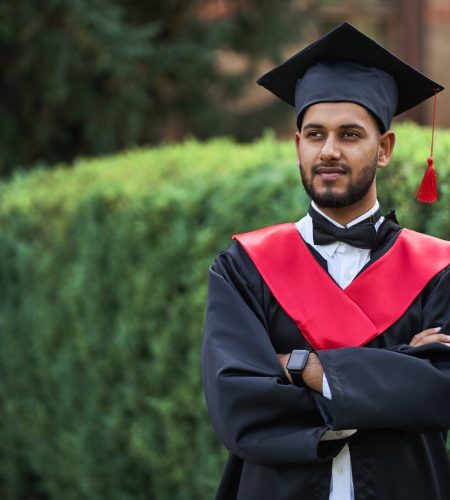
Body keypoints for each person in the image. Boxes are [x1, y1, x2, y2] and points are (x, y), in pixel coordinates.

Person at [201, 22, 450, 500]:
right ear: (298, 146)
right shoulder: (243, 268)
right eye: (315, 134)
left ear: (384, 149)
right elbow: (239, 405)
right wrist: (398, 371)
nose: (329, 151)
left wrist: (300, 368)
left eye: (350, 134)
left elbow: (442, 392)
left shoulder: (438, 270)